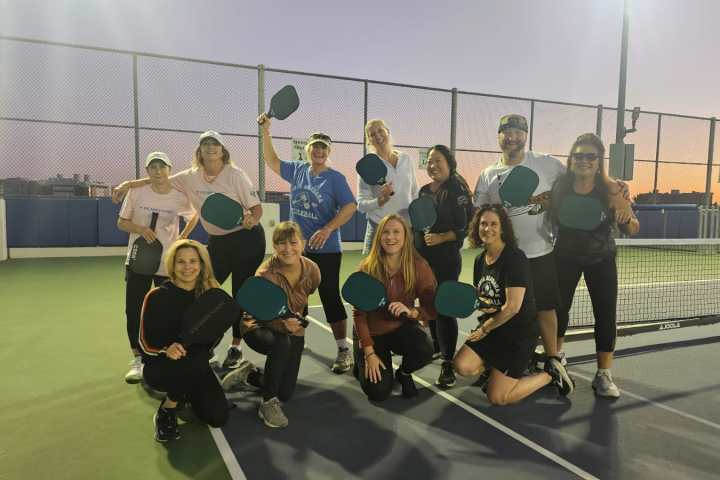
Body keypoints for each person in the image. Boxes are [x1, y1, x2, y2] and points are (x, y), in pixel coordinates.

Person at [473, 114, 630, 381]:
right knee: (501, 308)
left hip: (541, 252)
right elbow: (481, 212)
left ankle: (553, 361)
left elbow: (581, 176)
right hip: (504, 257)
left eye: (517, 131)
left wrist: (616, 189)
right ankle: (498, 359)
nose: (512, 136)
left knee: (547, 309)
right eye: (506, 132)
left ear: (526, 135)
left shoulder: (546, 164)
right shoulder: (488, 174)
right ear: (498, 136)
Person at [113, 131, 265, 369]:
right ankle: (202, 343)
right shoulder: (189, 177)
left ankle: (236, 348)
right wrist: (127, 184)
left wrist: (250, 220)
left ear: (223, 150)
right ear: (199, 151)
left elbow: (256, 209)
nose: (210, 148)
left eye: (215, 144)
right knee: (202, 292)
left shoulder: (235, 175)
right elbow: (158, 180)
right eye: (206, 144)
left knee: (240, 294)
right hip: (218, 243)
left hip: (247, 240)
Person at [257, 115, 357, 374]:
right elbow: (271, 161)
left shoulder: (335, 178)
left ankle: (343, 351)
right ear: (308, 150)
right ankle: (294, 341)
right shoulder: (298, 170)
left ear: (328, 152)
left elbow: (350, 206)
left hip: (326, 250)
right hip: (297, 251)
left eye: (324, 147)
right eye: (315, 146)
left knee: (330, 297)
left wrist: (328, 228)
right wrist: (266, 132)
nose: (319, 151)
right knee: (294, 298)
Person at [453, 205, 573, 405]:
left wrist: (484, 329)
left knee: (498, 397)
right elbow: (486, 298)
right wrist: (483, 306)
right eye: (483, 224)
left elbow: (512, 307)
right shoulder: (479, 260)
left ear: (502, 229)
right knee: (462, 366)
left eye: (493, 224)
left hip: (518, 333)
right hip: (494, 327)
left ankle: (550, 374)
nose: (487, 228)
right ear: (477, 227)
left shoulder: (514, 258)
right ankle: (499, 371)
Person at [550, 133, 639, 398]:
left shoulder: (612, 190)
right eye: (579, 155)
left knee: (605, 315)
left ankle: (603, 374)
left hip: (601, 259)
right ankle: (557, 360)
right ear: (571, 159)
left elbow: (633, 228)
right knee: (558, 311)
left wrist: (624, 218)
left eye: (591, 156)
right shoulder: (560, 187)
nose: (584, 161)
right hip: (564, 256)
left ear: (600, 161)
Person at [139, 239, 251, 442]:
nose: (187, 267)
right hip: (161, 366)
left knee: (218, 417)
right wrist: (166, 349)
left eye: (193, 261)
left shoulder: (210, 297)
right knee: (196, 359)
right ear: (172, 264)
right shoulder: (156, 296)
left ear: (201, 264)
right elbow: (144, 342)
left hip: (195, 365)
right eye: (181, 261)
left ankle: (186, 394)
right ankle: (167, 409)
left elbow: (211, 342)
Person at [222, 222, 320, 428]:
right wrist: (284, 327)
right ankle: (267, 404)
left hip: (287, 326)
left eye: (293, 242)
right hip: (256, 325)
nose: (288, 248)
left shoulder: (312, 270)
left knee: (286, 392)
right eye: (281, 243)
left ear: (302, 243)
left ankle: (249, 375)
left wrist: (298, 335)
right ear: (274, 246)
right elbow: (260, 313)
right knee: (281, 343)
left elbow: (302, 305)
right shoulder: (265, 274)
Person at [117, 152, 197, 384]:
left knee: (168, 309)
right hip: (139, 260)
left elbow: (194, 215)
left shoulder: (178, 196)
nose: (158, 171)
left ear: (169, 170)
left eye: (162, 167)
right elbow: (121, 222)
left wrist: (183, 236)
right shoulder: (136, 192)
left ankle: (166, 352)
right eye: (153, 167)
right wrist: (141, 229)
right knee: (134, 309)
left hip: (166, 262)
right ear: (148, 171)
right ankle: (138, 358)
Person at [353, 214, 436, 402]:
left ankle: (404, 374)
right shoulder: (366, 269)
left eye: (396, 232)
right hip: (372, 332)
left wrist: (413, 312)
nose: (391, 237)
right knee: (378, 392)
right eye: (386, 232)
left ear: (406, 236)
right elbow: (359, 315)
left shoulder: (420, 267)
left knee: (425, 348)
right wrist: (369, 353)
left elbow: (431, 307)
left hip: (400, 328)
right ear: (379, 237)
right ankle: (361, 363)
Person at [415, 145, 473, 388]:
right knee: (429, 305)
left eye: (438, 160)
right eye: (429, 161)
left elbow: (467, 225)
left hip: (447, 261)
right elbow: (419, 224)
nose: (433, 165)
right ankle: (437, 348)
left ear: (449, 164)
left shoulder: (457, 189)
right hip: (424, 261)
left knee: (445, 308)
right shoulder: (423, 191)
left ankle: (448, 363)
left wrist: (443, 237)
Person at [357, 119, 419, 254]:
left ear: (388, 131)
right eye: (372, 134)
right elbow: (361, 205)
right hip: (379, 228)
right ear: (369, 140)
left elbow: (414, 192)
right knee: (372, 274)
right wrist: (380, 200)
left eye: (380, 130)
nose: (377, 136)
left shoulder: (406, 159)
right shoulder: (368, 165)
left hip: (405, 228)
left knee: (405, 273)